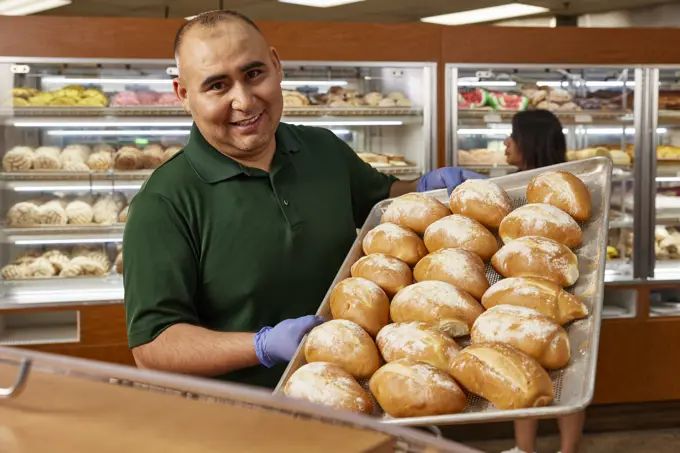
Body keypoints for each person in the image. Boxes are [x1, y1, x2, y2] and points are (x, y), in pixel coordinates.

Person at [123, 10, 481, 389]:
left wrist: (426, 188)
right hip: (244, 418)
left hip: (357, 395)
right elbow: (153, 345)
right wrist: (260, 346)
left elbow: (380, 203)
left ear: (276, 66)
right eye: (217, 86)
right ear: (183, 94)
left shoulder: (322, 149)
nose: (244, 100)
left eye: (254, 74)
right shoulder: (164, 202)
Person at [501, 109, 585, 453]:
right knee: (526, 372)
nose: (506, 143)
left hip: (559, 291)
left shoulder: (556, 190)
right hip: (524, 290)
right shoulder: (518, 185)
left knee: (567, 377)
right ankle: (527, 449)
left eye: (512, 136)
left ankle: (567, 450)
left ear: (528, 143)